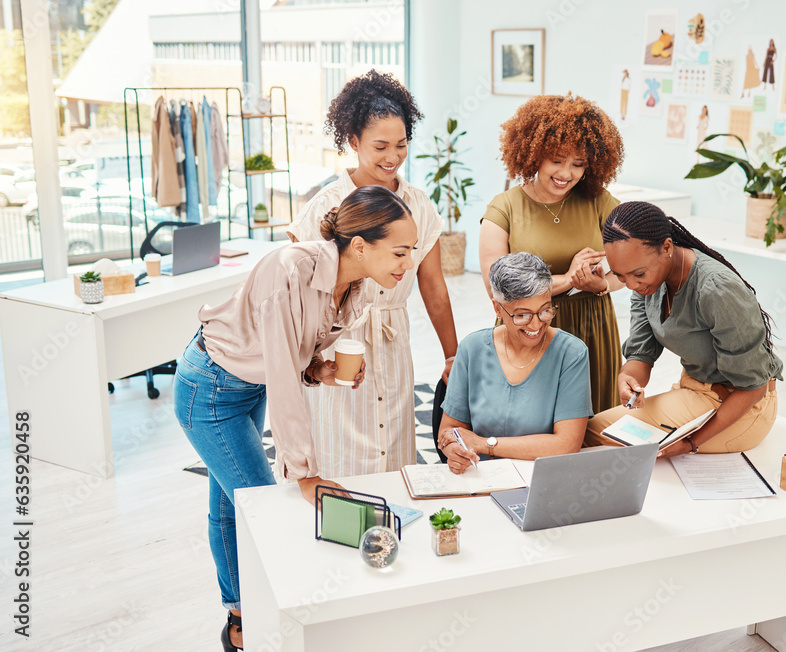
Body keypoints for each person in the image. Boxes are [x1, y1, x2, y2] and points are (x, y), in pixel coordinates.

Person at [174, 185, 417, 652]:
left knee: (232, 504)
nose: (407, 265)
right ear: (361, 245)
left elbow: (291, 352)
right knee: (264, 502)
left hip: (248, 383)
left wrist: (318, 369)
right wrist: (306, 474)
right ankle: (258, 619)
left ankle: (240, 614)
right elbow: (282, 376)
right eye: (401, 252)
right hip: (210, 389)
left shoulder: (358, 285)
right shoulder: (289, 268)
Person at [287, 70, 457, 478]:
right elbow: (296, 288)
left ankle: (388, 526)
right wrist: (310, 359)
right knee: (337, 441)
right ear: (353, 142)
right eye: (380, 146)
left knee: (393, 441)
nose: (392, 157)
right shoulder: (327, 203)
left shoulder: (418, 203)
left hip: (394, 335)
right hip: (338, 338)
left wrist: (453, 354)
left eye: (401, 145)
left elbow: (432, 284)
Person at [586, 201, 783, 458]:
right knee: (592, 433)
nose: (631, 284)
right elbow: (641, 355)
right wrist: (626, 378)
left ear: (667, 247)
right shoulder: (647, 283)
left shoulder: (716, 289)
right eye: (621, 277)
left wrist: (690, 443)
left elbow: (753, 388)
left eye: (638, 274)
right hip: (696, 392)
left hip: (743, 410)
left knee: (590, 434)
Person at [479, 93, 626, 413]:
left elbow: (631, 263)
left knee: (594, 424)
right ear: (534, 154)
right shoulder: (504, 208)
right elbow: (495, 286)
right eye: (557, 160)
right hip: (526, 327)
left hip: (593, 327)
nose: (566, 173)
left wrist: (604, 285)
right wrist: (567, 280)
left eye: (578, 164)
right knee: (529, 419)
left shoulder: (599, 201)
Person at [439, 253, 592, 474]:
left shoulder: (572, 354)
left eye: (545, 310)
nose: (537, 324)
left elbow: (566, 444)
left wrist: (484, 444)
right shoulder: (472, 348)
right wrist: (455, 450)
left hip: (543, 479)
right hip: (480, 476)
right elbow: (449, 431)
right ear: (498, 309)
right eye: (523, 315)